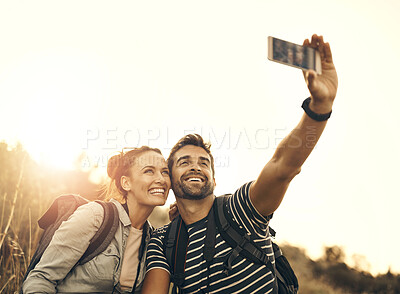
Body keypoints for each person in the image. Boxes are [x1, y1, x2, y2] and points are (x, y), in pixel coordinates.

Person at [142, 34, 338, 293]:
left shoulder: (239, 210)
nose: (195, 167)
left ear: (213, 178)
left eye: (204, 163)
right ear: (168, 177)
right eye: (184, 162)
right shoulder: (163, 240)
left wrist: (320, 107)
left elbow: (283, 167)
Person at [22, 146, 171, 293]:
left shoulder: (153, 239)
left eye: (165, 172)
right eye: (149, 171)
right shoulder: (95, 216)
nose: (161, 179)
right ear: (126, 183)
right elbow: (41, 279)